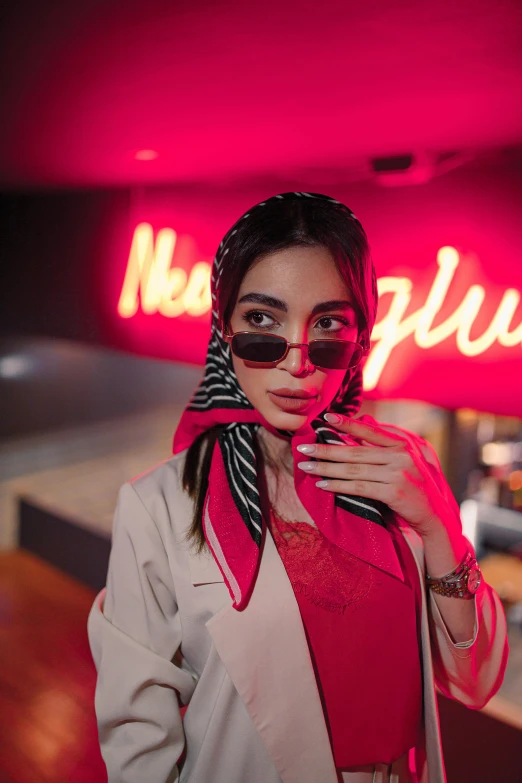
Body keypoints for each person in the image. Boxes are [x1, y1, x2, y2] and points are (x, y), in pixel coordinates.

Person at [88, 192, 509, 783]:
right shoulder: (158, 505)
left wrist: (439, 526)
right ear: (224, 326)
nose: (297, 361)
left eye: (329, 323)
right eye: (263, 320)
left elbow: (475, 679)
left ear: (360, 336)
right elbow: (138, 743)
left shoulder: (401, 467)